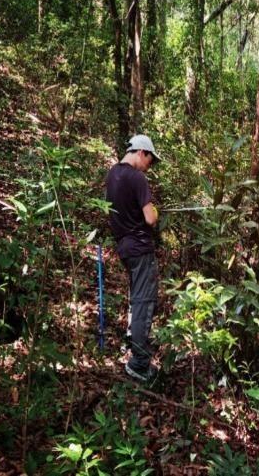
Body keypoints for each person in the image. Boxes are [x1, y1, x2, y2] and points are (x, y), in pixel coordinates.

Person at [105, 134, 161, 383]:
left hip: (124, 247)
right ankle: (139, 364)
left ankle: (133, 346)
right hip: (140, 248)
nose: (150, 166)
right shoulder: (137, 177)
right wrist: (155, 211)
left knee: (135, 298)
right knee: (143, 301)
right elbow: (150, 218)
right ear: (141, 152)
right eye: (150, 160)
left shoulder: (112, 174)